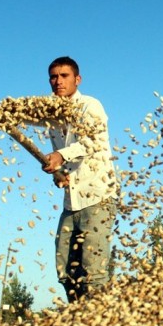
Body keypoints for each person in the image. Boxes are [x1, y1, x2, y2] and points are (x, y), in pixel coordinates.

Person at [43, 56, 118, 302]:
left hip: (97, 198)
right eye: (53, 77)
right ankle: (80, 322)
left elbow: (93, 141)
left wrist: (60, 156)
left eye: (64, 76)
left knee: (93, 273)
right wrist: (58, 173)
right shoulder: (51, 115)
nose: (58, 82)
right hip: (71, 202)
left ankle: (102, 325)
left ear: (77, 79)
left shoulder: (90, 106)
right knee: (65, 270)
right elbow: (64, 163)